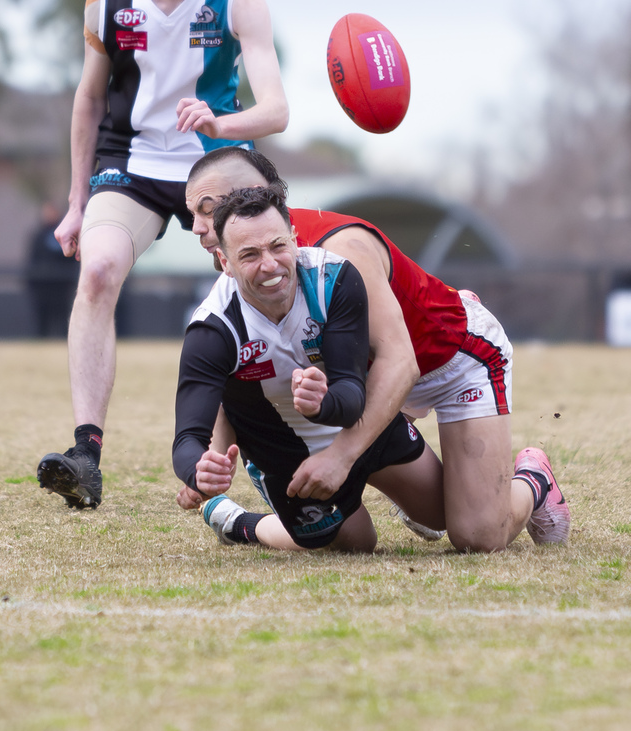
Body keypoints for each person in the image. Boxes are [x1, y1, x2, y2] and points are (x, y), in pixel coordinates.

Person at [36, 0, 289, 509]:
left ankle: (288, 442)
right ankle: (86, 456)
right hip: (132, 160)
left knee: (263, 283)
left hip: (216, 158)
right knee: (97, 273)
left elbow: (277, 110)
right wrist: (76, 203)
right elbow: (88, 100)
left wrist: (220, 123)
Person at [176, 147, 570, 551]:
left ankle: (533, 479)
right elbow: (232, 371)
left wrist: (341, 457)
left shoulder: (335, 253)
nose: (196, 227)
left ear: (251, 194)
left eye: (206, 209)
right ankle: (242, 522)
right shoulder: (241, 268)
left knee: (478, 535)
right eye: (191, 213)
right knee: (345, 542)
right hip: (362, 374)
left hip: (447, 358)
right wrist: (208, 463)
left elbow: (401, 363)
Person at [173, 186, 445, 552]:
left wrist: (322, 404)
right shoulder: (213, 328)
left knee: (444, 516)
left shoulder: (333, 279)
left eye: (278, 246)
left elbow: (351, 392)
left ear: (294, 238)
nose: (270, 265)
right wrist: (198, 470)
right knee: (356, 545)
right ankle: (237, 522)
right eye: (249, 254)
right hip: (284, 452)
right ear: (225, 261)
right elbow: (187, 439)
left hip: (359, 425)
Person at [25, 202, 80, 337]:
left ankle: (64, 339)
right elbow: (33, 258)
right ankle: (41, 340)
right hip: (42, 284)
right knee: (42, 316)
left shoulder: (65, 234)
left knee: (63, 315)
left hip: (63, 284)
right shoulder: (39, 235)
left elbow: (72, 257)